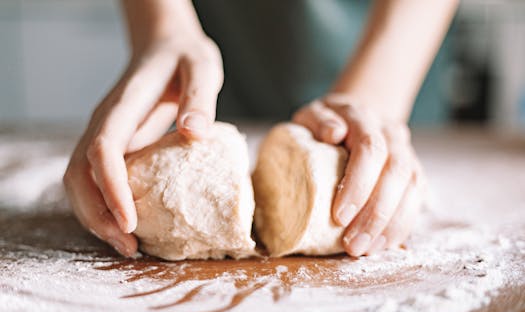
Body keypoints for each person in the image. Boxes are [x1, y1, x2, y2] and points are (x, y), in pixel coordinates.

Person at [63, 0, 458, 258]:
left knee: (369, 173)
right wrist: (162, 23)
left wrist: (379, 91)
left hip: (391, 38)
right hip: (222, 44)